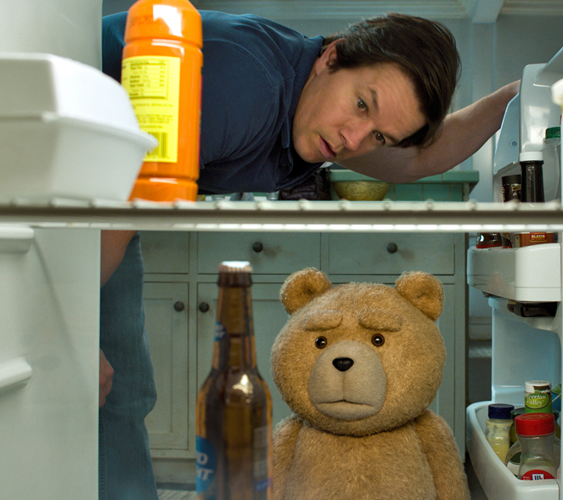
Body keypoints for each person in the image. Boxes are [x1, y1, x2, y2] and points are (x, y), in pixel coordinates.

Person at [98, 9, 520, 500]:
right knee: (90, 380)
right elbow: (121, 204)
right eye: (361, 105)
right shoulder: (246, 87)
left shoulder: (319, 112)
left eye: (378, 135)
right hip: (74, 192)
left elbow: (417, 158)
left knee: (121, 391)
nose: (353, 142)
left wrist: (518, 94)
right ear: (331, 57)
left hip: (107, 195)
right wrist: (73, 330)